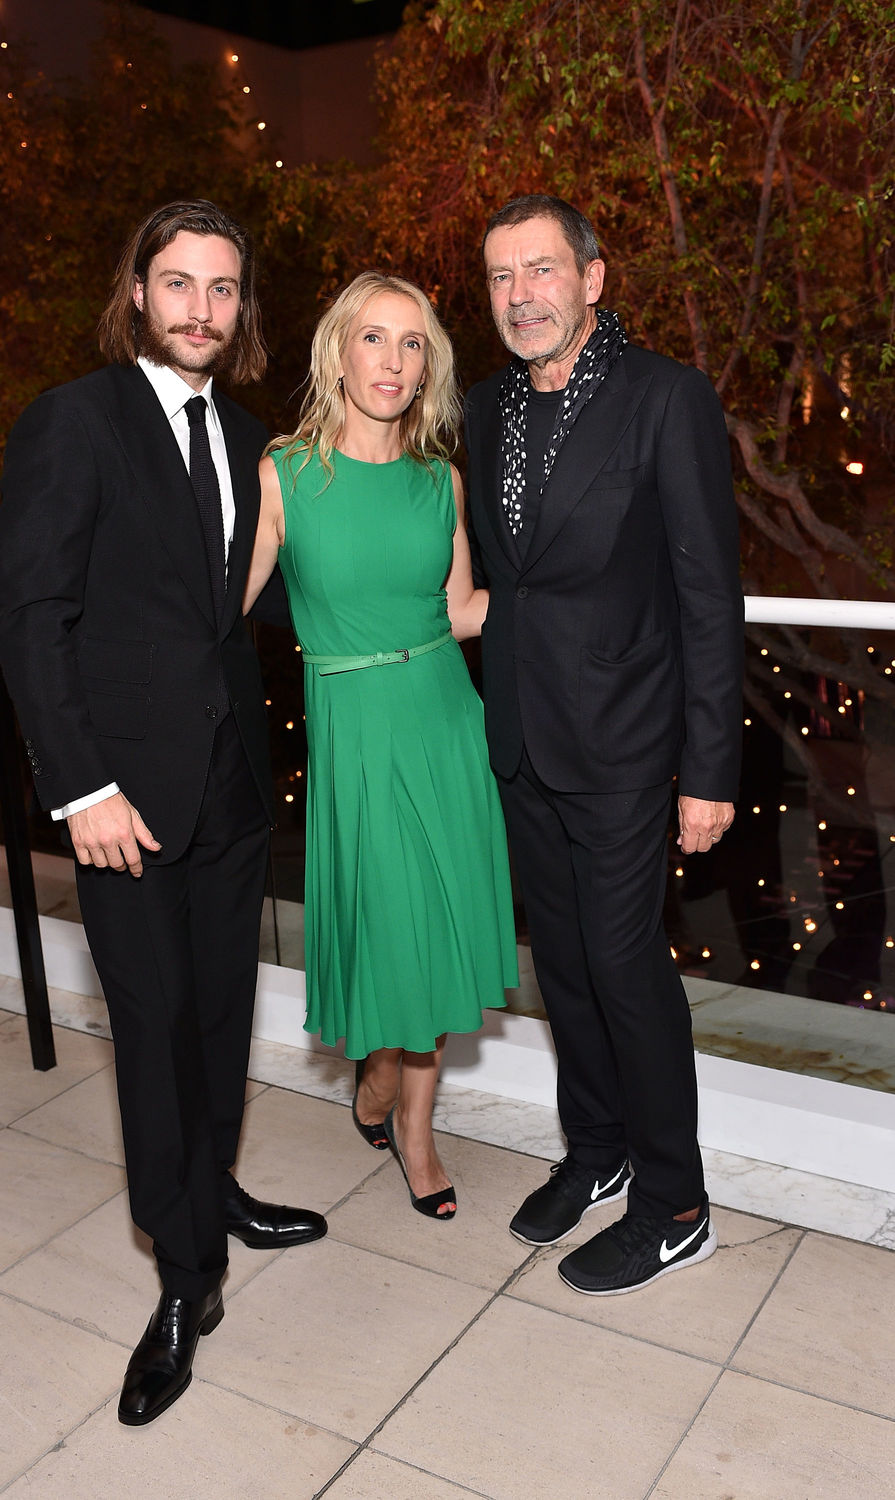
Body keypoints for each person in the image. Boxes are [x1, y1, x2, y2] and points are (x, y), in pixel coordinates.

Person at [0, 199, 326, 1426]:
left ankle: (213, 1185)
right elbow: (32, 619)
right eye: (177, 282)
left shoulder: (251, 438)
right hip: (119, 803)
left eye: (223, 288)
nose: (200, 307)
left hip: (231, 788)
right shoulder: (72, 424)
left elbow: (247, 607)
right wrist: (78, 785)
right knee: (150, 1031)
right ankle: (187, 1280)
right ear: (137, 290)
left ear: (243, 308)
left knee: (218, 1018)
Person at [466, 194, 743, 1294]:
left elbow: (707, 596)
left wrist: (710, 768)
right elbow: (505, 579)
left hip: (629, 746)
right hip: (523, 738)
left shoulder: (666, 400)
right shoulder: (487, 408)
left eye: (540, 270)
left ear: (593, 277)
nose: (520, 294)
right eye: (500, 276)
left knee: (628, 972)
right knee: (565, 968)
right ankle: (597, 1152)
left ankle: (677, 1203)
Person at [244, 272, 518, 1219]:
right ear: (338, 352)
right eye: (373, 338)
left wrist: (566, 587)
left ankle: (412, 1130)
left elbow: (460, 611)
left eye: (411, 343)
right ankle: (375, 1090)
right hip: (357, 731)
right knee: (394, 925)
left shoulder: (440, 481)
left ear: (429, 362)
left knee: (438, 934)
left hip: (446, 720)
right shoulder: (286, 474)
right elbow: (218, 609)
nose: (392, 361)